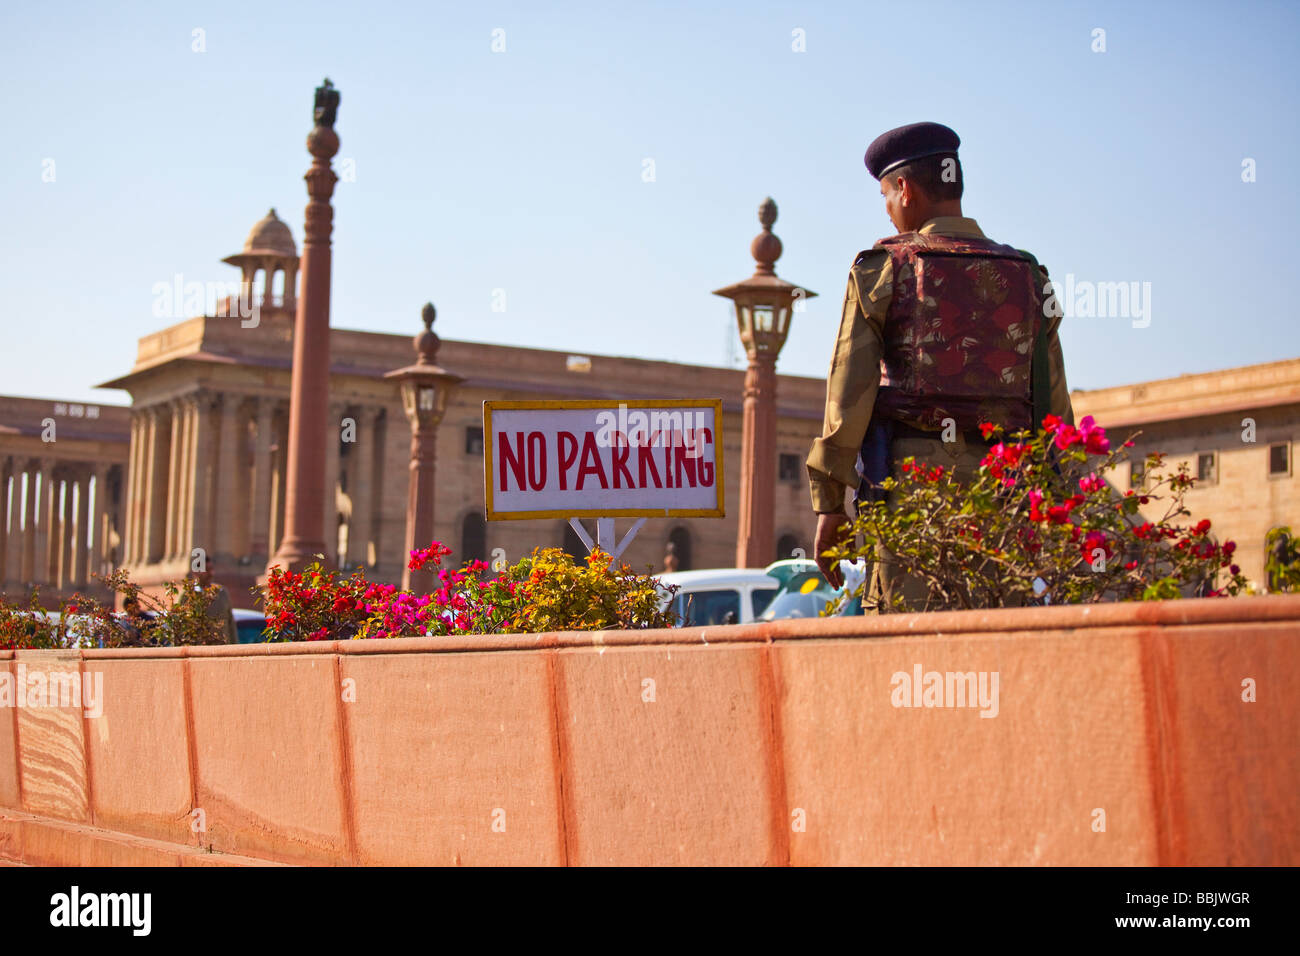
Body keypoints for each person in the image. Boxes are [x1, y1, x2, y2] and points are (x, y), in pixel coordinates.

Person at [806, 122, 1075, 612]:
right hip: (1007, 498)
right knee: (999, 643)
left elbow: (850, 392)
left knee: (907, 649)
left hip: (914, 493)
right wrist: (1069, 504)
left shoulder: (883, 267)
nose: (887, 211)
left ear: (904, 189)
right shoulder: (1031, 276)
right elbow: (1054, 406)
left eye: (885, 195)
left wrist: (829, 504)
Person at [189, 568, 238, 644]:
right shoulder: (188, 596)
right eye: (206, 570)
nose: (211, 573)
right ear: (196, 572)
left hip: (223, 649)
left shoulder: (222, 593)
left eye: (211, 569)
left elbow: (231, 624)